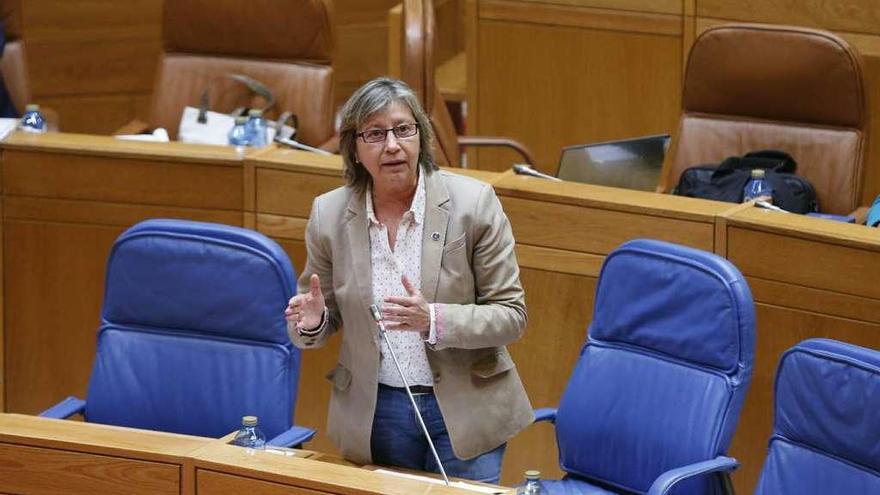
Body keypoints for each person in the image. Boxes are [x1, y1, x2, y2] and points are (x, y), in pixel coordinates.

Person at [284, 77, 533, 483]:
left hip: (465, 407)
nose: (393, 145)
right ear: (355, 147)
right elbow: (312, 323)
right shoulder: (329, 215)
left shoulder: (473, 204)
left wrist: (432, 319)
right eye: (375, 134)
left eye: (403, 129)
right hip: (376, 410)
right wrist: (312, 321)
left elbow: (512, 315)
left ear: (421, 134)